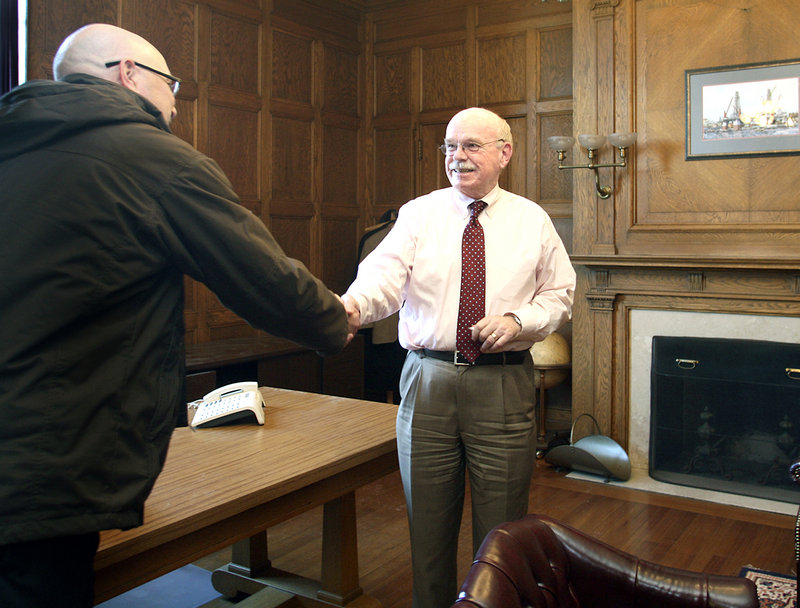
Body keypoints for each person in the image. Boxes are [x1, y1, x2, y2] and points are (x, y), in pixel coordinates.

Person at [0, 23, 356, 608]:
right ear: (128, 74)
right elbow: (259, 275)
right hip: (46, 465)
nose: (175, 103)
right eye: (173, 86)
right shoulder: (151, 157)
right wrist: (332, 321)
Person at [343, 107, 576, 608]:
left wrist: (519, 322)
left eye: (471, 145)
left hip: (503, 384)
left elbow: (560, 296)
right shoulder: (419, 213)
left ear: (503, 153)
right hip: (428, 382)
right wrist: (354, 306)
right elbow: (382, 276)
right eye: (450, 146)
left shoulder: (531, 219)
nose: (458, 156)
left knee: (502, 534)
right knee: (426, 529)